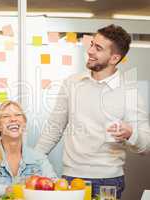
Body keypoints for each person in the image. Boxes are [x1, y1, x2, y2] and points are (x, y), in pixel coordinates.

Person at [35, 24, 150, 199]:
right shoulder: (72, 83)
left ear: (114, 58)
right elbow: (54, 128)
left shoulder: (130, 92)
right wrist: (31, 162)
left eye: (98, 48)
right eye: (91, 44)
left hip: (108, 181)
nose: (90, 51)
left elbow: (146, 146)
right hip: (71, 179)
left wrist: (130, 133)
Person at [0, 101, 57, 199]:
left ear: (24, 124)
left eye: (18, 115)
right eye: (6, 116)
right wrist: (13, 190)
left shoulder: (39, 158)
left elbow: (55, 185)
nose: (13, 119)